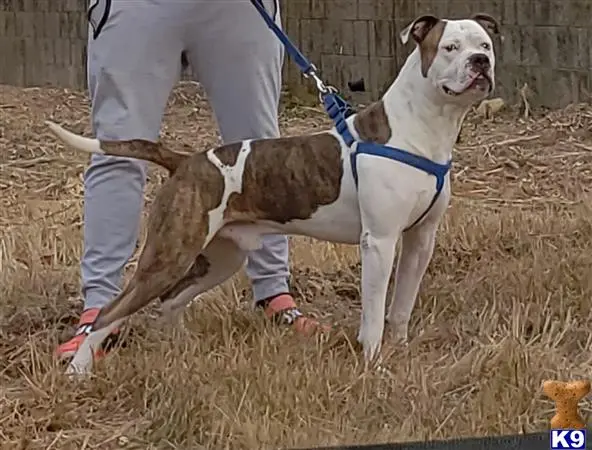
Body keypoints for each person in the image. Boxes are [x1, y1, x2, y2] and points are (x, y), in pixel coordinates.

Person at [56, 0, 326, 360]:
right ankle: (99, 311)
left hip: (238, 10)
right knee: (117, 150)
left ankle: (274, 294)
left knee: (261, 151)